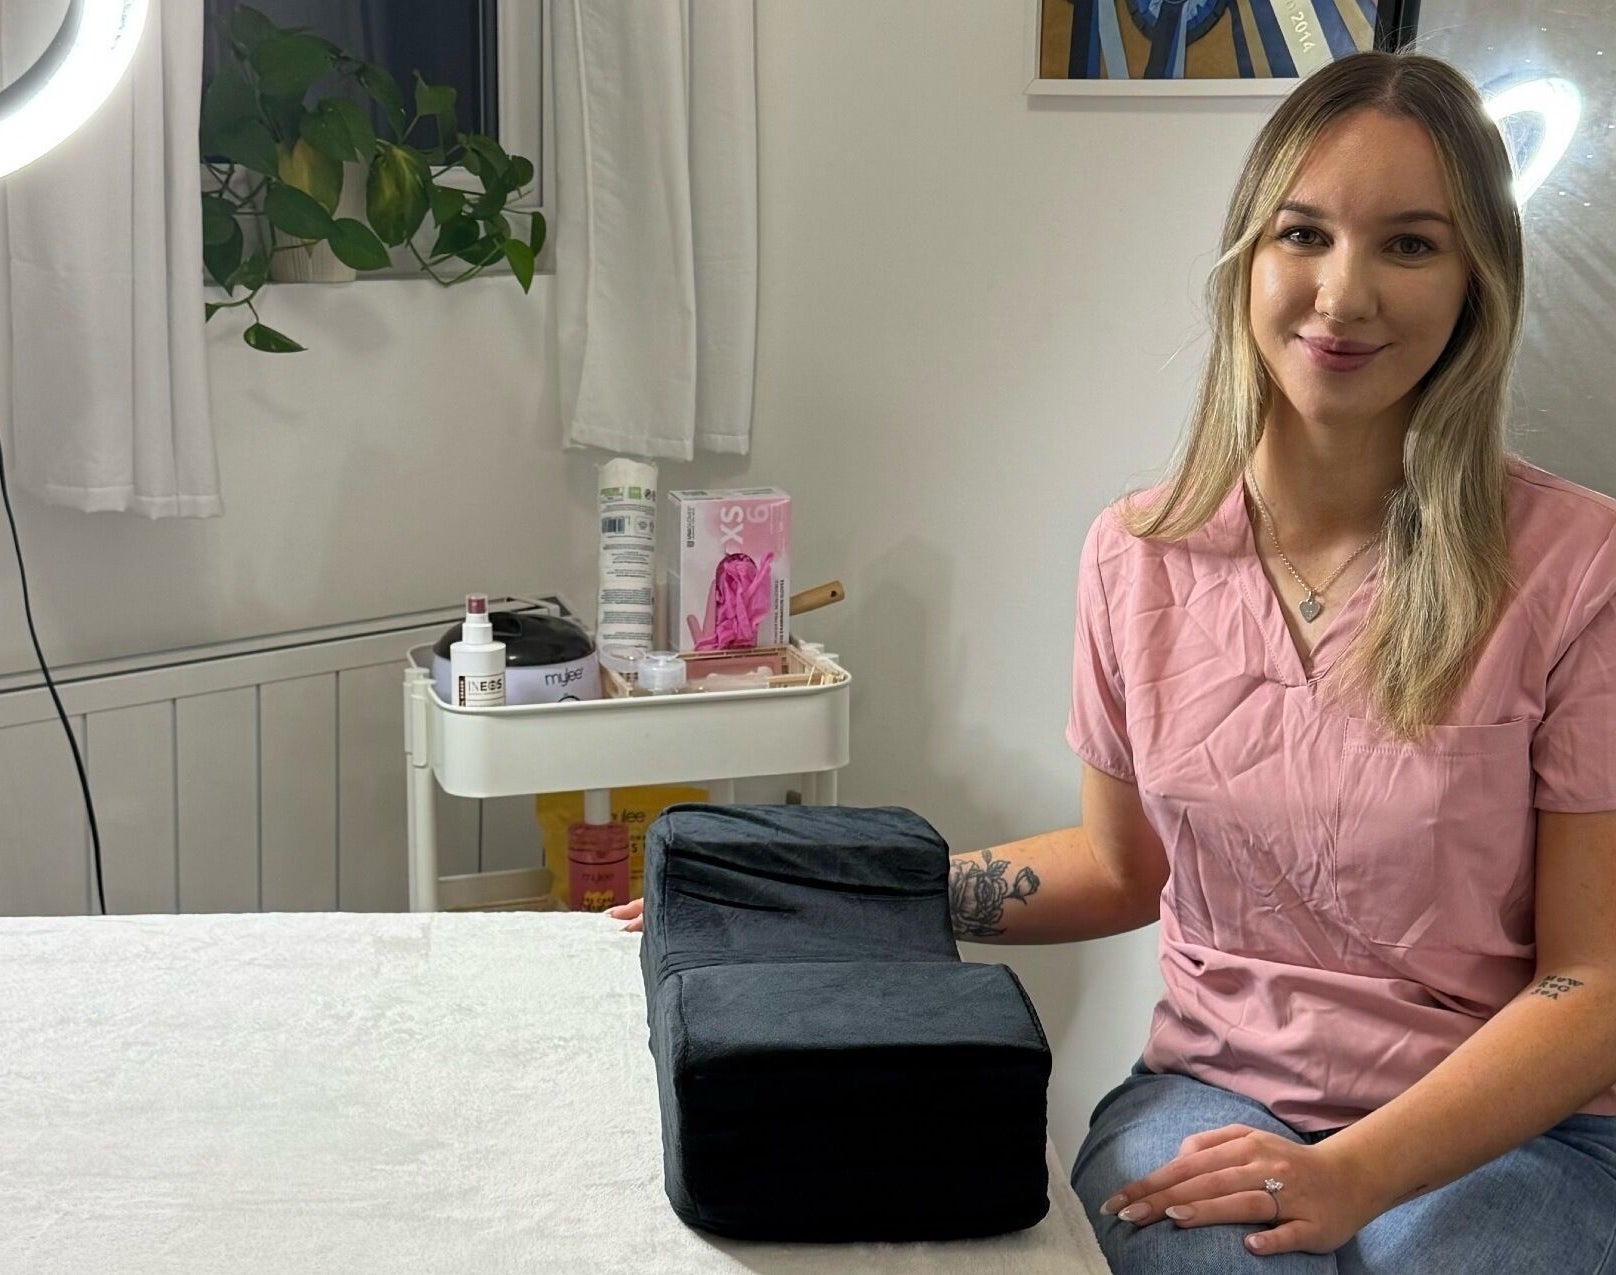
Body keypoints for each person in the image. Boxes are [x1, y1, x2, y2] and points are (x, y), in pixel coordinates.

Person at [610, 49, 1616, 1272]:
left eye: (1410, 245)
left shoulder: (1577, 567)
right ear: (1246, 259)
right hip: (1214, 1094)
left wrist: (1352, 1174)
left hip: (1515, 1134)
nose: (1342, 293)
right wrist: (842, 892)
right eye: (1304, 234)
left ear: (1477, 283)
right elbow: (1119, 866)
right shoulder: (1137, 555)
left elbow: (1594, 982)